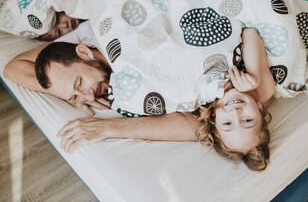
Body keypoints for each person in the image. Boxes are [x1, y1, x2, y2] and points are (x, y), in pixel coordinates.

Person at [32, 27, 275, 171]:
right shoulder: (258, 89)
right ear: (261, 111)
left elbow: (193, 125)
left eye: (79, 85)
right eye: (248, 120)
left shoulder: (205, 104)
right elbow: (251, 21)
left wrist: (107, 127)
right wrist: (252, 76)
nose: (235, 113)